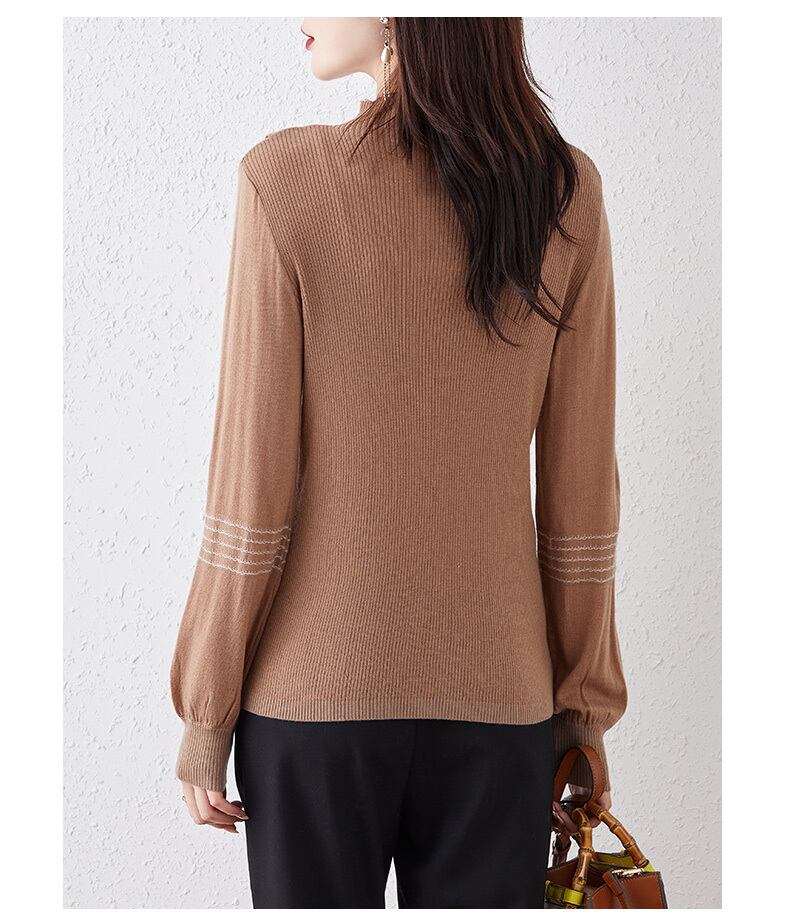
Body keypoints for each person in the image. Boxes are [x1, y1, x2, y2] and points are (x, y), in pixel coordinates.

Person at [170, 16, 628, 910]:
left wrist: (206, 709)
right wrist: (582, 708)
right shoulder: (565, 192)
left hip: (312, 710)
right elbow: (582, 498)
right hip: (503, 710)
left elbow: (249, 489)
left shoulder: (284, 181)